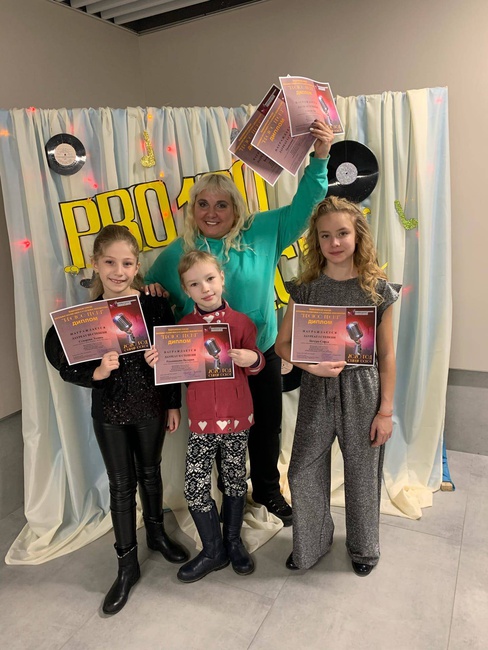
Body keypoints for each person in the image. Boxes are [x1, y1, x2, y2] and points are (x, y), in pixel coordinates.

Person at [145, 121, 334, 525]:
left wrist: (320, 158)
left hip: (259, 352)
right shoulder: (177, 253)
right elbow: (149, 296)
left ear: (236, 208)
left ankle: (266, 490)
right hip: (208, 364)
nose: (212, 213)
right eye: (203, 204)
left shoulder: (264, 230)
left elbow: (306, 205)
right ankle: (226, 498)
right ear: (192, 210)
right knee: (216, 434)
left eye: (222, 204)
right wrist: (154, 293)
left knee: (266, 428)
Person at [48, 225, 189, 615]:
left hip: (150, 407)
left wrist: (172, 403)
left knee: (151, 473)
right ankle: (126, 564)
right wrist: (95, 372)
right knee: (121, 486)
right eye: (109, 262)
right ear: (95, 263)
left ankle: (157, 535)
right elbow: (60, 357)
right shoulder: (85, 317)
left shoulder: (154, 306)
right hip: (109, 410)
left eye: (127, 263)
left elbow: (172, 359)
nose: (118, 271)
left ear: (137, 265)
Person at [275, 196, 401, 575]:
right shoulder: (306, 288)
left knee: (362, 473)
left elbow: (387, 355)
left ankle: (364, 549)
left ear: (357, 235)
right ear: (316, 240)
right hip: (317, 389)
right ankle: (312, 542)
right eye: (325, 235)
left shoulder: (376, 290)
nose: (334, 242)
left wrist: (385, 411)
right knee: (302, 470)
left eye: (342, 233)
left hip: (363, 391)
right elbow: (282, 345)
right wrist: (309, 366)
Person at [148, 250, 264, 582]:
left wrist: (252, 358)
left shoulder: (242, 323)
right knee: (195, 485)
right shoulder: (182, 328)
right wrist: (160, 362)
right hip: (201, 421)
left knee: (235, 479)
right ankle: (213, 551)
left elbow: (257, 365)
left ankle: (233, 542)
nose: (205, 288)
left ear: (222, 279)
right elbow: (177, 372)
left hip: (237, 417)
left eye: (210, 279)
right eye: (195, 284)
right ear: (186, 290)